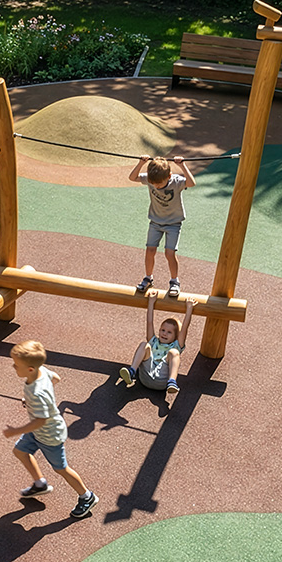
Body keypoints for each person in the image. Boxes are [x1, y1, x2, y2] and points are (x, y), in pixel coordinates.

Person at [3, 340, 99, 518]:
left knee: (61, 468)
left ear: (30, 369)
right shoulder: (41, 371)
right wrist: (33, 402)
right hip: (39, 432)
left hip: (49, 436)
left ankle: (87, 496)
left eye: (16, 365)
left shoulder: (36, 393)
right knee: (20, 451)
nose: (13, 367)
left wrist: (15, 430)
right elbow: (56, 378)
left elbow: (41, 421)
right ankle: (40, 484)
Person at [129, 154, 196, 298]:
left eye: (159, 184)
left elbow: (191, 183)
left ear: (169, 176)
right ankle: (148, 278)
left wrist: (182, 165)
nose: (156, 186)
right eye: (153, 184)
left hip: (173, 224)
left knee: (169, 253)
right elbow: (132, 177)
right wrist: (141, 163)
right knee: (150, 250)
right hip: (155, 222)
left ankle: (174, 282)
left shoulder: (176, 182)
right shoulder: (151, 179)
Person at [119, 292, 194, 394]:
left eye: (169, 332)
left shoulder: (176, 345)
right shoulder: (153, 341)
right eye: (163, 330)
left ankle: (172, 381)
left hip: (162, 382)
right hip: (145, 377)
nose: (164, 333)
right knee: (144, 345)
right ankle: (132, 371)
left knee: (174, 352)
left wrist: (189, 308)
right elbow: (149, 322)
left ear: (176, 336)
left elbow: (184, 328)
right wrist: (151, 302)